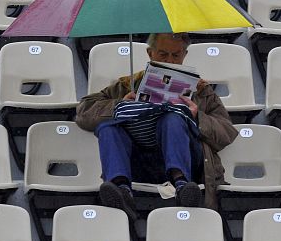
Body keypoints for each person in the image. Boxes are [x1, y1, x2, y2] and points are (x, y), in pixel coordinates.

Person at [76, 33, 237, 221]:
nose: (169, 60)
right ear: (150, 53)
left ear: (184, 55)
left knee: (172, 119)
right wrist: (119, 104)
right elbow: (83, 112)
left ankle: (182, 186)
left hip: (188, 161)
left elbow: (226, 132)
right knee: (108, 127)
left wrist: (196, 116)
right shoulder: (127, 85)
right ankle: (121, 189)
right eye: (163, 54)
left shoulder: (201, 90)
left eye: (176, 55)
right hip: (139, 162)